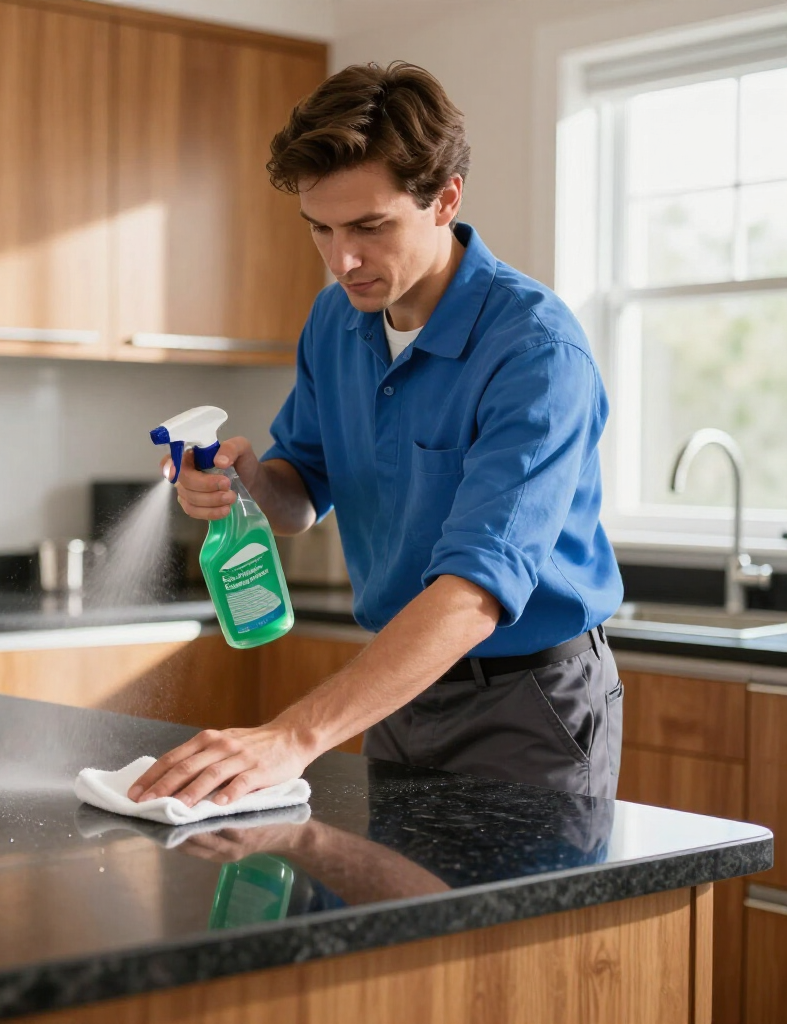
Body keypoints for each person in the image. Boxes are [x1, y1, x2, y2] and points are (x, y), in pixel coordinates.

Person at [129, 61, 624, 810]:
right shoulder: (336, 322)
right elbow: (302, 496)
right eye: (320, 229)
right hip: (396, 690)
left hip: (529, 703)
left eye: (369, 227)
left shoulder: (535, 353)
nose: (342, 260)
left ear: (444, 199)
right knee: (397, 922)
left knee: (505, 929)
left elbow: (474, 593)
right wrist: (249, 482)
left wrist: (294, 736)